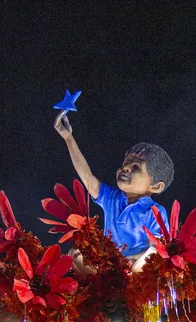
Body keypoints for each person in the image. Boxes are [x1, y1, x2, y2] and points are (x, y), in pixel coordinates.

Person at [54, 112, 173, 272]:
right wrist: (69, 138)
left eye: (136, 167)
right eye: (125, 162)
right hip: (109, 266)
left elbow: (157, 249)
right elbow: (87, 178)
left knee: (152, 257)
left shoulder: (155, 212)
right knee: (76, 254)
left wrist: (129, 262)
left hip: (135, 270)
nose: (126, 168)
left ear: (156, 186)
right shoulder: (111, 198)